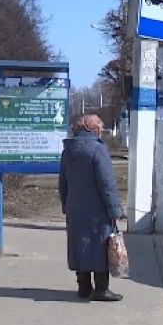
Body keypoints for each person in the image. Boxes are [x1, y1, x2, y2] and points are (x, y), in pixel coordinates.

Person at [59, 114, 125, 301]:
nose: (101, 130)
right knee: (101, 245)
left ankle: (84, 287)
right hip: (97, 209)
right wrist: (114, 210)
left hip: (75, 207)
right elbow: (107, 183)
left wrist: (65, 203)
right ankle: (101, 289)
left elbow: (63, 181)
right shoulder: (97, 149)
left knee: (79, 244)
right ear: (92, 128)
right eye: (100, 127)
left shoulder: (68, 150)